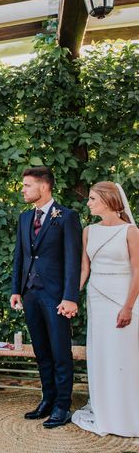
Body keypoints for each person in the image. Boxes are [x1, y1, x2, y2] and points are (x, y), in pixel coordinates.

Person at [10, 166, 82, 429]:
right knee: (42, 352)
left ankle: (63, 405)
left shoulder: (67, 217)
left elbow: (72, 261)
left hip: (56, 297)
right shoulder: (24, 219)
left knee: (60, 352)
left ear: (44, 186)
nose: (23, 189)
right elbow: (20, 256)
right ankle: (48, 399)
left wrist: (70, 297)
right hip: (30, 295)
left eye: (27, 185)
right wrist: (16, 290)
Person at [71, 182, 139, 437]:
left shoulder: (131, 231)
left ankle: (127, 413)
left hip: (122, 298)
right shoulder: (89, 231)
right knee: (101, 354)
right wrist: (71, 297)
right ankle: (105, 409)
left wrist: (129, 307)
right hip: (96, 299)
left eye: (92, 199)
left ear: (109, 200)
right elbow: (85, 269)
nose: (88, 203)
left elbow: (138, 271)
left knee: (124, 355)